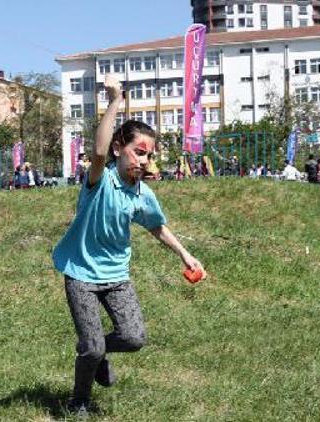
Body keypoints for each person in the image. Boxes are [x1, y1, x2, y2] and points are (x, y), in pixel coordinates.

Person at [51, 75, 206, 416]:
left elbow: (157, 228)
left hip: (116, 275)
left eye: (148, 156)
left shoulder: (142, 194)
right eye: (138, 152)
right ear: (120, 148)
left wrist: (186, 254)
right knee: (90, 349)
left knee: (134, 338)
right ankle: (79, 401)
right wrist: (115, 100)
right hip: (80, 273)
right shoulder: (99, 179)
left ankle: (97, 352)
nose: (143, 161)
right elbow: (98, 150)